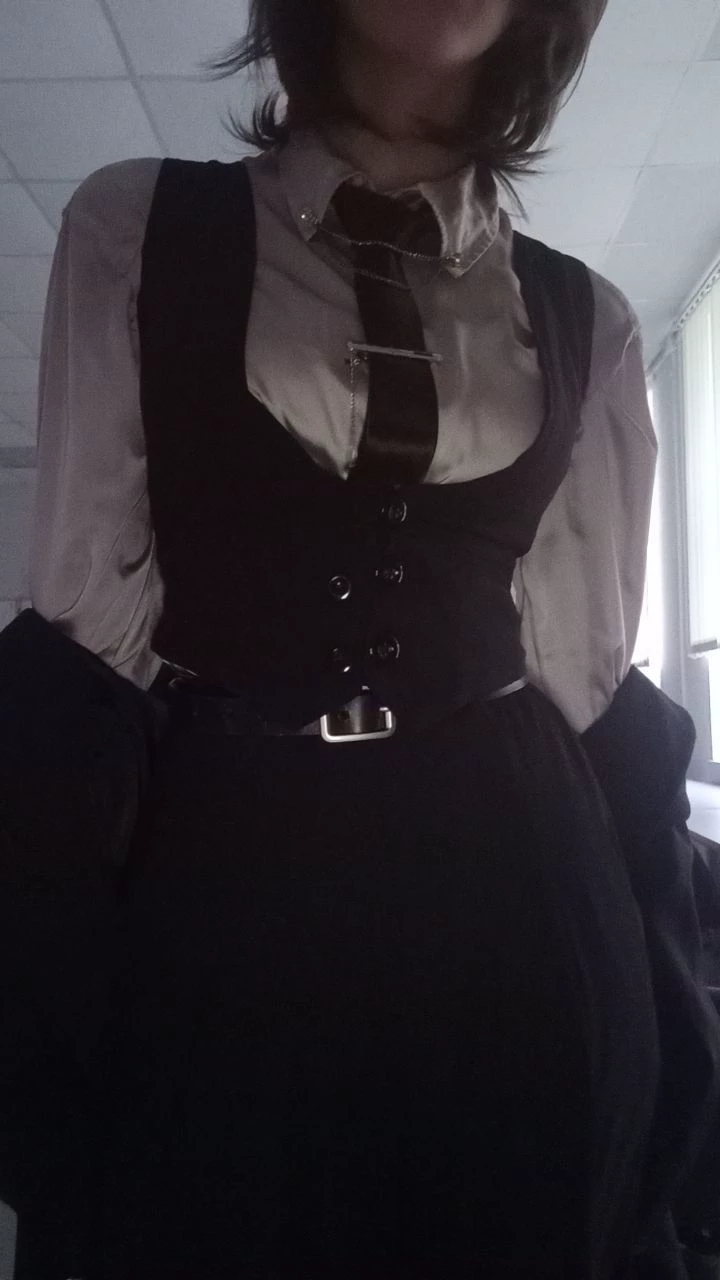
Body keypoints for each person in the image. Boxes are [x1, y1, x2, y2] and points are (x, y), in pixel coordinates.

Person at [4, 0, 719, 1276]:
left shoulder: (588, 316)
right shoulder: (139, 223)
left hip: (520, 886)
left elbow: (585, 672)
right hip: (227, 881)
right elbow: (86, 635)